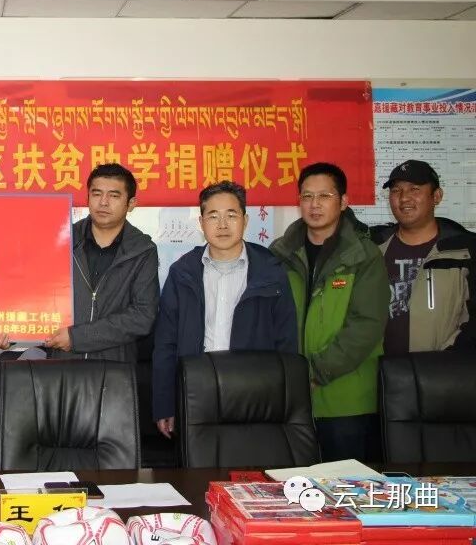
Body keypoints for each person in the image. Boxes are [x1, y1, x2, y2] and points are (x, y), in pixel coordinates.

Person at [152, 181, 298, 438]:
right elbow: (166, 343)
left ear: (245, 220)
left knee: (252, 460)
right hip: (196, 391)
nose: (222, 225)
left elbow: (286, 342)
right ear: (201, 222)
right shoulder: (182, 272)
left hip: (255, 391)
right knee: (199, 461)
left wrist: (285, 405)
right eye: (213, 216)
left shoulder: (271, 271)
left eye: (231, 215)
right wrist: (164, 403)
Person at [270, 162, 389, 461]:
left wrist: (315, 372)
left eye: (324, 196)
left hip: (346, 398)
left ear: (343, 201)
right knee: (295, 484)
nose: (315, 204)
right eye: (307, 196)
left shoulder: (363, 255)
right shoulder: (280, 253)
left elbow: (366, 325)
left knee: (346, 484)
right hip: (291, 400)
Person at [44, 163, 158, 361]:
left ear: (131, 203)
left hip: (115, 368)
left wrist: (77, 338)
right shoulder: (61, 241)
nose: (103, 202)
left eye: (114, 196)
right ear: (87, 198)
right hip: (62, 365)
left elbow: (142, 316)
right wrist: (11, 332)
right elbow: (37, 297)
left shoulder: (142, 251)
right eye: (96, 194)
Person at [370, 159, 476, 354]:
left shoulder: (465, 251)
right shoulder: (372, 249)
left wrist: (448, 361)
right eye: (396, 190)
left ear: (437, 196)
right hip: (382, 369)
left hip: (444, 368)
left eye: (414, 189)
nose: (404, 198)